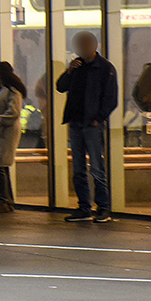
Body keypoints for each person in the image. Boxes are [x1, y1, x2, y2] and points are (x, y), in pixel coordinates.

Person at [56, 30, 119, 222]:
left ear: (94, 46)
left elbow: (111, 98)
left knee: (97, 167)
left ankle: (103, 207)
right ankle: (84, 207)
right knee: (78, 167)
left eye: (85, 44)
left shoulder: (105, 68)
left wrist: (98, 118)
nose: (81, 49)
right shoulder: (78, 67)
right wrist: (69, 71)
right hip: (76, 122)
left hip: (92, 124)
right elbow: (60, 87)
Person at [0, 61, 25, 214]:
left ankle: (2, 201)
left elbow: (12, 112)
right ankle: (6, 201)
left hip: (6, 133)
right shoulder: (2, 91)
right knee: (0, 166)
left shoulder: (12, 91)